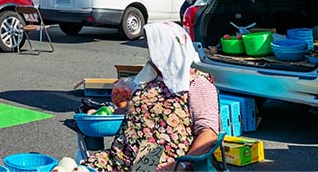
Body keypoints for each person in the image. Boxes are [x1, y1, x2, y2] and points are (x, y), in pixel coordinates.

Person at [83, 22, 220, 171]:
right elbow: (141, 113)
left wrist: (181, 164)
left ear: (168, 50)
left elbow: (209, 133)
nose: (150, 55)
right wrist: (105, 113)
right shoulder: (151, 78)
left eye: (153, 48)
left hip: (157, 161)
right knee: (74, 168)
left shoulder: (197, 83)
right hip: (121, 156)